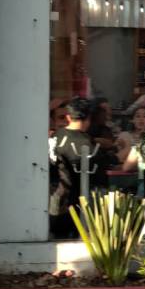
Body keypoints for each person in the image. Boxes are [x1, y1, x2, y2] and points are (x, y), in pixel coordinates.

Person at [50, 98, 95, 237]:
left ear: (68, 117)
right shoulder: (87, 143)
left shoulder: (57, 136)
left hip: (54, 198)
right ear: (88, 119)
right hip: (76, 202)